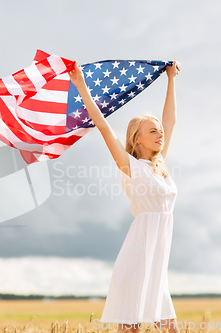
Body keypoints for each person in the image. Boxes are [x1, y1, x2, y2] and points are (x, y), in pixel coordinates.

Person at [68, 60, 181, 333]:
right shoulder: (131, 167)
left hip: (157, 263)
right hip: (137, 258)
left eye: (160, 131)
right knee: (130, 330)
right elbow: (105, 128)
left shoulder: (160, 167)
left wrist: (171, 79)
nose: (160, 133)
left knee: (171, 328)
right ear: (137, 139)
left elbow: (171, 120)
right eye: (152, 130)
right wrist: (81, 87)